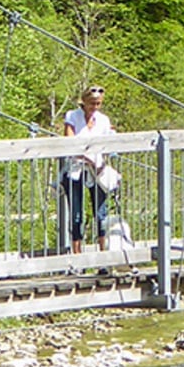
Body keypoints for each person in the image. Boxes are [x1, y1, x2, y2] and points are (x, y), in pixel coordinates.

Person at [61, 85, 117, 253]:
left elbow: (109, 143)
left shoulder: (103, 120)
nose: (95, 107)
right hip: (75, 169)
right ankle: (77, 257)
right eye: (92, 103)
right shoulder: (72, 116)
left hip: (97, 170)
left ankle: (103, 255)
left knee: (101, 214)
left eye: (98, 104)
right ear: (84, 101)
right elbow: (69, 141)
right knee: (76, 215)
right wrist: (85, 155)